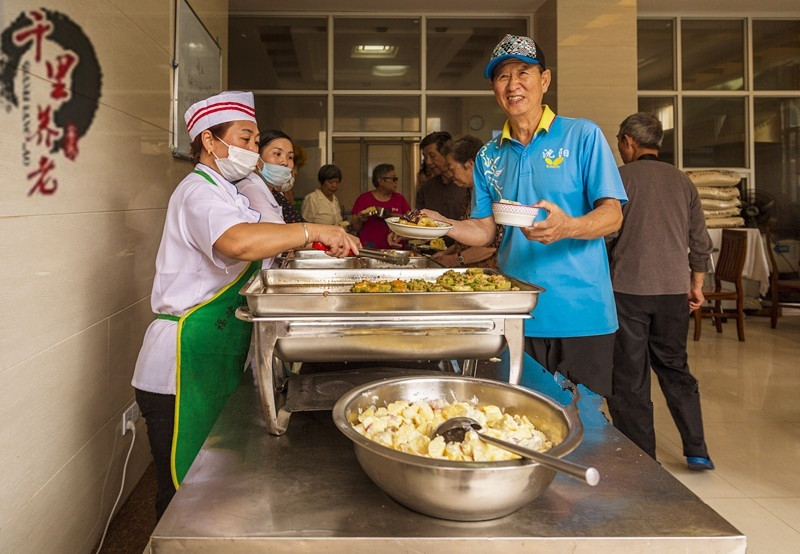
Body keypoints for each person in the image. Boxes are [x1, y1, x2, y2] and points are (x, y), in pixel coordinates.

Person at [131, 91, 360, 521]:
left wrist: (313, 245)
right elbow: (237, 242)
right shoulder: (197, 192)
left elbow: (265, 240)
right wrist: (312, 230)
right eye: (246, 138)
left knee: (207, 487)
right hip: (177, 360)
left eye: (255, 140)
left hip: (208, 350)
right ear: (210, 141)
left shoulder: (228, 194)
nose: (253, 149)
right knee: (179, 495)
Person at [425, 34, 627, 397]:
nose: (513, 84)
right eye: (503, 77)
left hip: (582, 313)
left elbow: (612, 215)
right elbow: (485, 230)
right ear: (493, 87)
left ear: (545, 80)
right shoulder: (488, 155)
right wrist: (443, 225)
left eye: (524, 73)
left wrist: (568, 226)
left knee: (588, 427)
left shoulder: (583, 135)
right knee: (521, 417)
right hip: (518, 313)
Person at [606, 112, 715, 470]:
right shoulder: (683, 182)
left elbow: (607, 234)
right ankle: (697, 448)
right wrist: (695, 284)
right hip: (673, 291)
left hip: (628, 290)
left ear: (628, 142)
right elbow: (700, 240)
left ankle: (641, 456)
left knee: (630, 373)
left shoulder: (620, 180)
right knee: (675, 367)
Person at [431, 135, 501, 269]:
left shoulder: (493, 193)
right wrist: (447, 252)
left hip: (486, 274)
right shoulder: (470, 192)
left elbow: (490, 247)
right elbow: (468, 236)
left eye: (452, 169)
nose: (450, 176)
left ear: (470, 164)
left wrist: (454, 259)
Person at [351, 163, 411, 249]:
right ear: (381, 181)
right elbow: (355, 228)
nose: (396, 182)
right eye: (393, 179)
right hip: (369, 250)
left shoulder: (400, 199)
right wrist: (359, 220)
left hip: (395, 250)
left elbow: (412, 222)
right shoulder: (364, 199)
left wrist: (393, 216)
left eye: (396, 179)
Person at [415, 131, 471, 222]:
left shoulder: (467, 184)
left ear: (446, 154)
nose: (428, 162)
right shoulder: (426, 189)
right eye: (425, 157)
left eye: (432, 156)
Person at [254, 130, 304, 223]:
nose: (284, 162)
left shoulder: (274, 193)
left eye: (290, 157)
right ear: (257, 157)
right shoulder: (249, 190)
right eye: (277, 154)